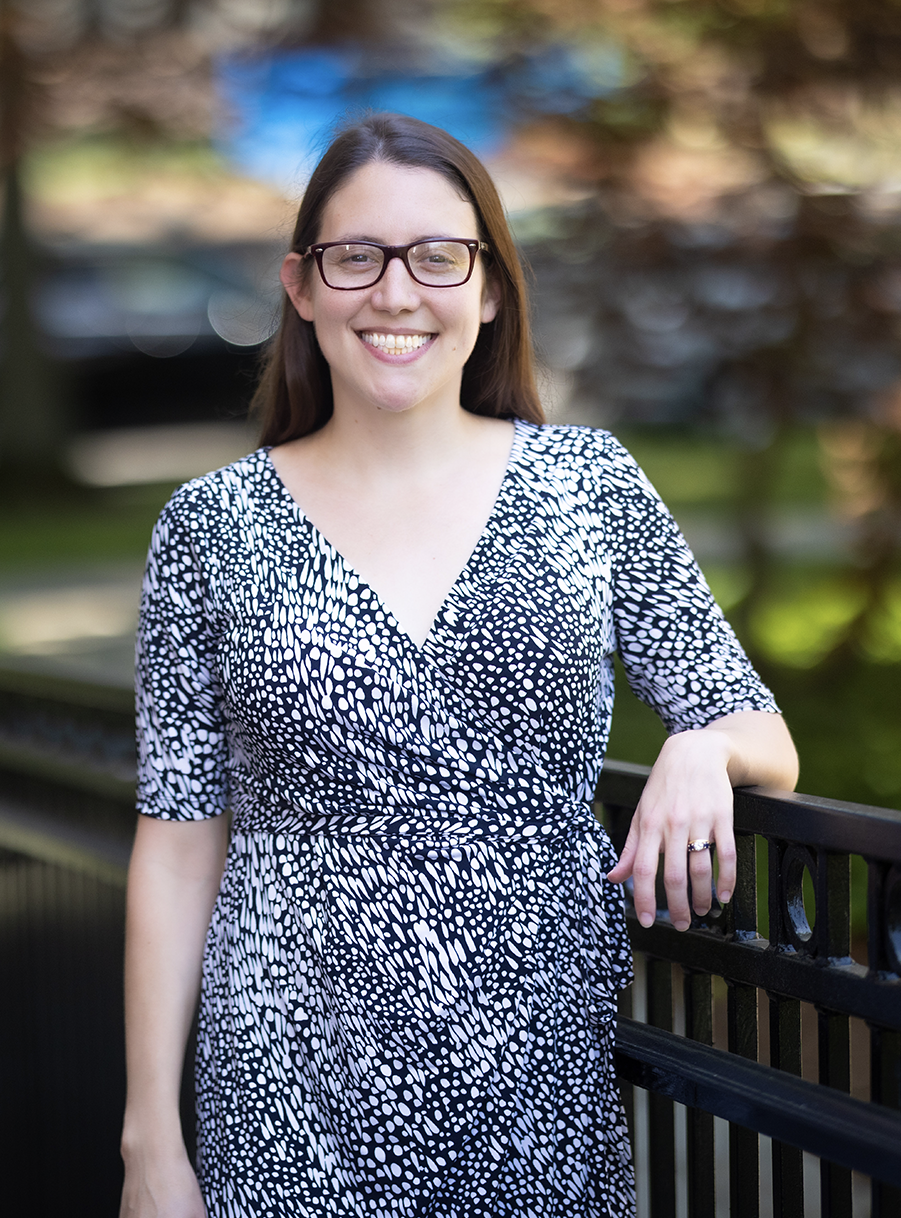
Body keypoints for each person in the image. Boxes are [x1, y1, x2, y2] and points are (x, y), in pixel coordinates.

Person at [119, 113, 798, 1218]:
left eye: (439, 256)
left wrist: (700, 747)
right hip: (288, 1085)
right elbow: (179, 837)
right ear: (302, 286)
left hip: (535, 1072)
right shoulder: (210, 530)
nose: (397, 293)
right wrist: (151, 1141)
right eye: (358, 257)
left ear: (489, 290)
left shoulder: (588, 485)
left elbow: (760, 729)